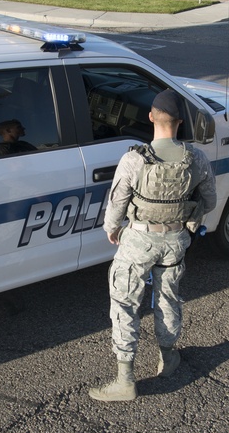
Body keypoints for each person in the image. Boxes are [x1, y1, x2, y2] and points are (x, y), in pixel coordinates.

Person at [89, 89, 217, 402]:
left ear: (150, 117)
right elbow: (210, 201)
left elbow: (117, 202)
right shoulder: (196, 158)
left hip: (138, 240)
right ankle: (168, 356)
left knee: (125, 304)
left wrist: (111, 228)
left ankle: (125, 379)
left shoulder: (134, 158)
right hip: (175, 241)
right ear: (180, 122)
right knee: (168, 298)